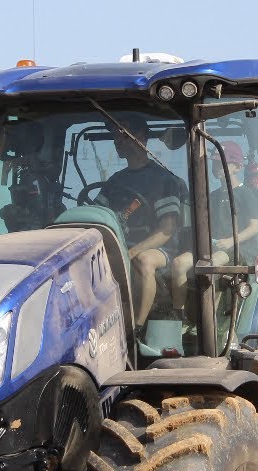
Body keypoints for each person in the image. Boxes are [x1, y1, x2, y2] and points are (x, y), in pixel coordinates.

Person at [95, 115, 186, 330]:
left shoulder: (164, 180)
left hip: (160, 249)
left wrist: (132, 252)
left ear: (141, 137)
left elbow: (167, 230)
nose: (117, 140)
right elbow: (96, 214)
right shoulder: (115, 181)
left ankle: (136, 328)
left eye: (123, 134)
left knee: (144, 260)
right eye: (115, 136)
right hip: (122, 247)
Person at [166, 140, 258, 316]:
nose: (217, 167)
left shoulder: (246, 194)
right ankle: (178, 316)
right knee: (178, 264)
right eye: (215, 163)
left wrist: (230, 241)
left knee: (209, 267)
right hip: (211, 246)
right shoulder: (212, 197)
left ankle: (210, 318)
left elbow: (254, 227)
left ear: (237, 167)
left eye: (222, 162)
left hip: (237, 251)